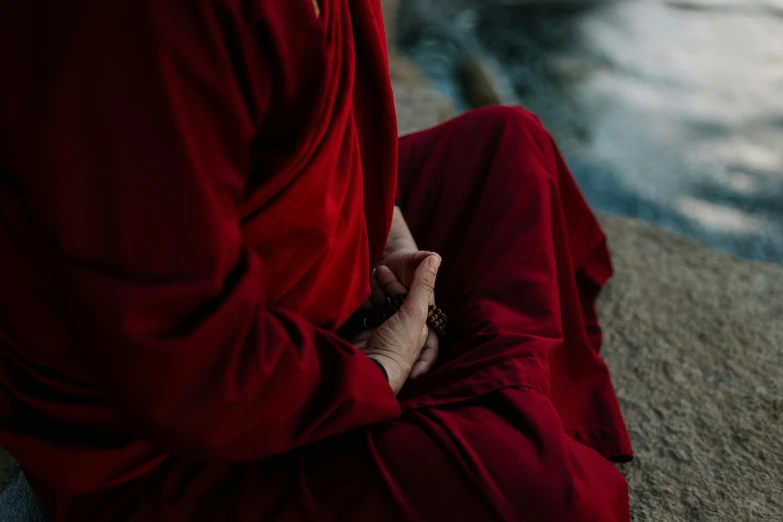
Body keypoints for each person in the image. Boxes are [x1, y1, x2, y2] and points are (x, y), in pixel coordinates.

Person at [0, 1, 632, 520]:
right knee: (542, 491)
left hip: (300, 286)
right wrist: (380, 367)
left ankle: (475, 418)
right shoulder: (151, 28)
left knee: (506, 146)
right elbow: (176, 356)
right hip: (167, 444)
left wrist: (390, 235)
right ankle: (480, 418)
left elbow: (339, 111)